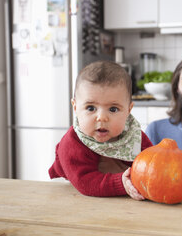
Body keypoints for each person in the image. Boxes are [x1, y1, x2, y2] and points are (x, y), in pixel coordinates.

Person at [49, 60, 152, 200]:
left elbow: (152, 162)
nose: (102, 118)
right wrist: (120, 182)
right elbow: (85, 182)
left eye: (113, 109)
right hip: (76, 194)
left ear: (128, 110)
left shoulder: (134, 136)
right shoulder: (73, 142)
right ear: (75, 107)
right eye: (91, 108)